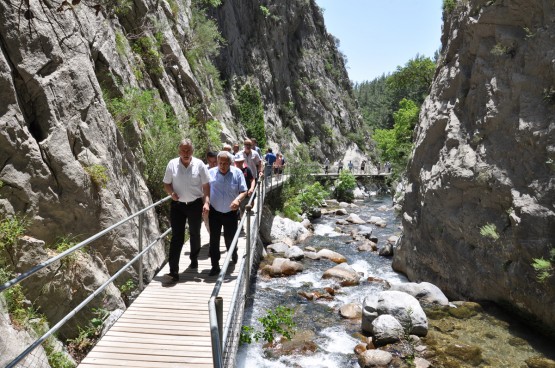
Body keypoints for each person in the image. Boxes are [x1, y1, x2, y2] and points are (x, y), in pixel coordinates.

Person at [163, 139, 210, 282]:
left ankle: (194, 258)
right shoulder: (172, 164)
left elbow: (206, 185)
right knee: (177, 237)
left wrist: (206, 202)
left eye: (188, 150)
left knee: (195, 233)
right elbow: (166, 183)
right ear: (179, 151)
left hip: (195, 204)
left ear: (192, 151)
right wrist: (171, 194)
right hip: (178, 206)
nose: (185, 153)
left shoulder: (199, 165)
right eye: (183, 150)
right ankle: (173, 271)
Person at [208, 151, 247, 276]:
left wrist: (237, 200)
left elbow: (244, 191)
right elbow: (205, 189)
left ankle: (233, 252)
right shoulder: (211, 173)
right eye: (220, 163)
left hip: (231, 212)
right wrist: (205, 203)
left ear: (230, 163)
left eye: (225, 163)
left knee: (230, 238)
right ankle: (215, 266)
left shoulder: (237, 173)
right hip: (214, 211)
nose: (222, 166)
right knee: (214, 239)